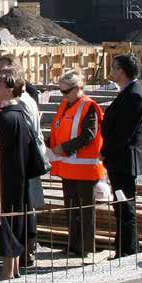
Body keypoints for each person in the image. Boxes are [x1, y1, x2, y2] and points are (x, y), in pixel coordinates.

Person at [49, 71, 104, 257]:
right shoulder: (66, 105)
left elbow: (89, 135)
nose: (63, 95)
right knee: (72, 210)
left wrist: (65, 148)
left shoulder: (89, 106)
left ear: (79, 87)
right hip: (68, 167)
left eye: (66, 91)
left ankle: (85, 247)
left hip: (85, 169)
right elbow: (59, 131)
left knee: (85, 212)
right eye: (61, 91)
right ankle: (74, 246)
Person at [101, 54, 142, 258]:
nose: (111, 71)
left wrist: (104, 152)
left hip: (124, 160)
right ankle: (124, 248)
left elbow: (123, 133)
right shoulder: (127, 93)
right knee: (121, 206)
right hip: (119, 159)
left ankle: (128, 251)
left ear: (122, 71)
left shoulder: (134, 96)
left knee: (125, 207)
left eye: (114, 68)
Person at [0, 68, 36, 279]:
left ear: (9, 89)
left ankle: (7, 272)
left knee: (7, 223)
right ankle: (13, 269)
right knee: (14, 221)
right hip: (17, 176)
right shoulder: (17, 113)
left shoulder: (7, 118)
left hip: (6, 177)